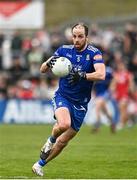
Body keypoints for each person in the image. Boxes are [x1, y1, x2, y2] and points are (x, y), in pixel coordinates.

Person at [32, 23, 105, 176]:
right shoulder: (64, 50)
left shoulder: (94, 53)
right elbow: (42, 70)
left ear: (86, 37)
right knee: (64, 124)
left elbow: (101, 75)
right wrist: (48, 63)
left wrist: (83, 75)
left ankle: (39, 165)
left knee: (63, 142)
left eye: (80, 36)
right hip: (63, 96)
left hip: (81, 104)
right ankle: (50, 141)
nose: (76, 40)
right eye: (74, 36)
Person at [91, 65, 117, 133]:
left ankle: (97, 126)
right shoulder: (93, 70)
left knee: (97, 107)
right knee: (105, 111)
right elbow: (92, 83)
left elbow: (114, 79)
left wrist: (111, 88)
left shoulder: (108, 70)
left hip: (105, 92)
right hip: (98, 93)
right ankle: (112, 123)